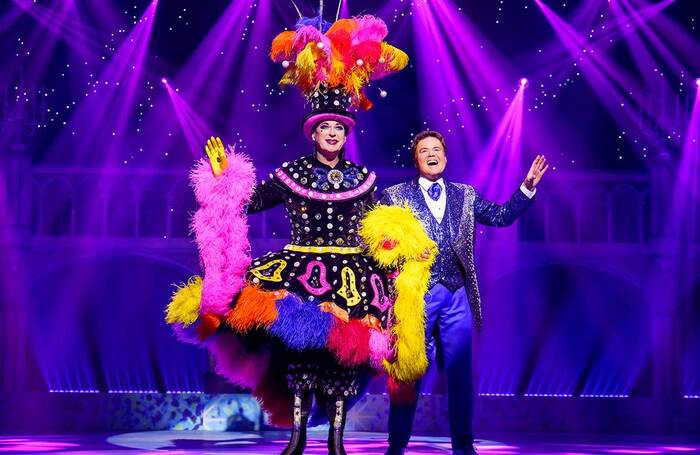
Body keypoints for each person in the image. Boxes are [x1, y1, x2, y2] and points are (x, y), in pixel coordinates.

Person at [166, 13, 435, 455]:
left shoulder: (363, 178)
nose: (331, 132)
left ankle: (335, 440)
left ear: (346, 133)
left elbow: (379, 226)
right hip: (298, 271)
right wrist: (224, 177)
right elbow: (247, 202)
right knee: (300, 360)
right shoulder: (291, 173)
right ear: (313, 131)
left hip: (352, 278)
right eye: (324, 126)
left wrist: (402, 243)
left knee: (343, 365)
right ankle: (295, 438)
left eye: (338, 127)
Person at [380, 130, 549, 455]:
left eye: (437, 149)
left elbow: (500, 216)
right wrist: (403, 254)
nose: (431, 154)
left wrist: (527, 187)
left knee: (460, 375)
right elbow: (378, 244)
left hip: (457, 295)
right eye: (424, 150)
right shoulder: (395, 196)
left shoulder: (466, 195)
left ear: (445, 156)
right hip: (417, 296)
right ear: (415, 159)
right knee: (407, 375)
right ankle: (396, 447)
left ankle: (464, 447)